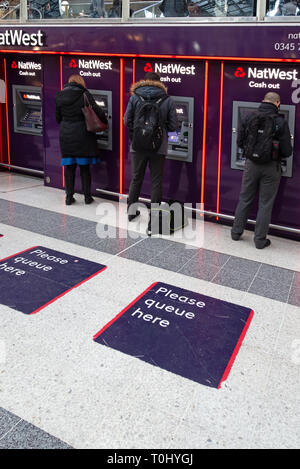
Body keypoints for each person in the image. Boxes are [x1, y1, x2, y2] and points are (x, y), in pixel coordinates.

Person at [231, 92, 292, 249]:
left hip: (251, 164)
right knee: (265, 203)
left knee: (245, 198)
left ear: (263, 101)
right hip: (271, 167)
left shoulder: (250, 117)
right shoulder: (280, 122)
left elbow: (239, 141)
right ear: (277, 103)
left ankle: (236, 232)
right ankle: (259, 240)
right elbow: (287, 151)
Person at [123, 71, 178, 230]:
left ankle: (131, 212)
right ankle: (153, 221)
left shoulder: (135, 97)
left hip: (137, 145)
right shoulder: (167, 100)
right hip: (158, 146)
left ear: (144, 81)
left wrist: (139, 132)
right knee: (156, 182)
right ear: (160, 83)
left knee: (136, 178)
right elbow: (173, 126)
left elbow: (127, 120)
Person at [55, 74, 108, 206]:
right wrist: (105, 120)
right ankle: (87, 197)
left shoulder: (60, 95)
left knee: (69, 168)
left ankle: (69, 197)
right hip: (82, 134)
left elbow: (57, 118)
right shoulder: (84, 94)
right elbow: (96, 110)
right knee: (84, 168)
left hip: (66, 134)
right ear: (81, 82)